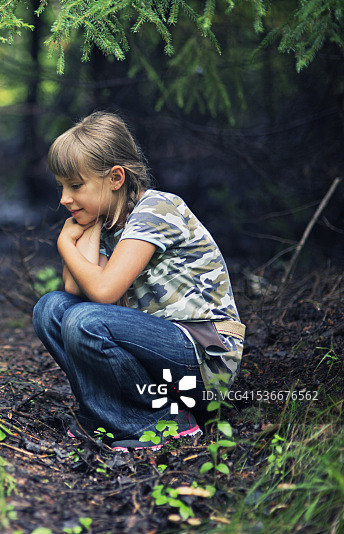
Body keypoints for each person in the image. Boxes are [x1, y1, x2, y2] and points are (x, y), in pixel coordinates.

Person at [32, 111, 245, 452]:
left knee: (84, 320)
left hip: (205, 361)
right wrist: (91, 227)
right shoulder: (110, 223)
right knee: (50, 308)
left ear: (115, 177)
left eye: (75, 186)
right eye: (61, 187)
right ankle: (114, 414)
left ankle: (162, 422)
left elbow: (102, 292)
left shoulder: (156, 209)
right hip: (161, 356)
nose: (64, 199)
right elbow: (73, 289)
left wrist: (64, 243)